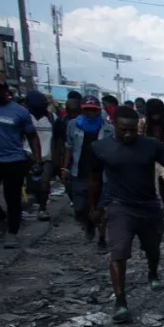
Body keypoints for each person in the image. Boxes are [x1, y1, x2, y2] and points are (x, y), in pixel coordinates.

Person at [87, 106, 164, 322]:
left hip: (149, 206)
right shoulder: (100, 147)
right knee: (119, 252)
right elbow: (94, 180)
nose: (128, 134)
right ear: (113, 125)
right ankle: (121, 301)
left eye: (133, 130)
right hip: (119, 206)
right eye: (124, 129)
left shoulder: (152, 145)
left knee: (152, 248)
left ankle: (152, 273)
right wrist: (94, 207)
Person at [0, 71, 42, 248]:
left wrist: (37, 159)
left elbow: (32, 136)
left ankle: (13, 232)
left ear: (5, 88)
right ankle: (2, 218)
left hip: (12, 160)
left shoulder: (19, 112)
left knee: (12, 198)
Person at [64, 96, 113, 248]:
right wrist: (64, 168)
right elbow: (69, 147)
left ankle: (102, 239)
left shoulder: (108, 129)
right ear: (82, 110)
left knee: (101, 209)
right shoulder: (73, 125)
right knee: (79, 208)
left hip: (101, 175)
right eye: (87, 110)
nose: (90, 113)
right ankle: (89, 224)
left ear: (98, 111)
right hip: (79, 172)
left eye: (94, 110)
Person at [24, 91, 55, 221]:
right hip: (27, 156)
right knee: (30, 186)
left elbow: (57, 139)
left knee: (44, 183)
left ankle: (42, 209)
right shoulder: (25, 117)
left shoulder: (52, 118)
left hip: (46, 157)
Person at [52, 91, 82, 175]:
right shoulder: (61, 121)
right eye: (71, 112)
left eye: (75, 113)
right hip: (64, 156)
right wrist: (57, 159)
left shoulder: (87, 122)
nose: (73, 116)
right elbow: (57, 140)